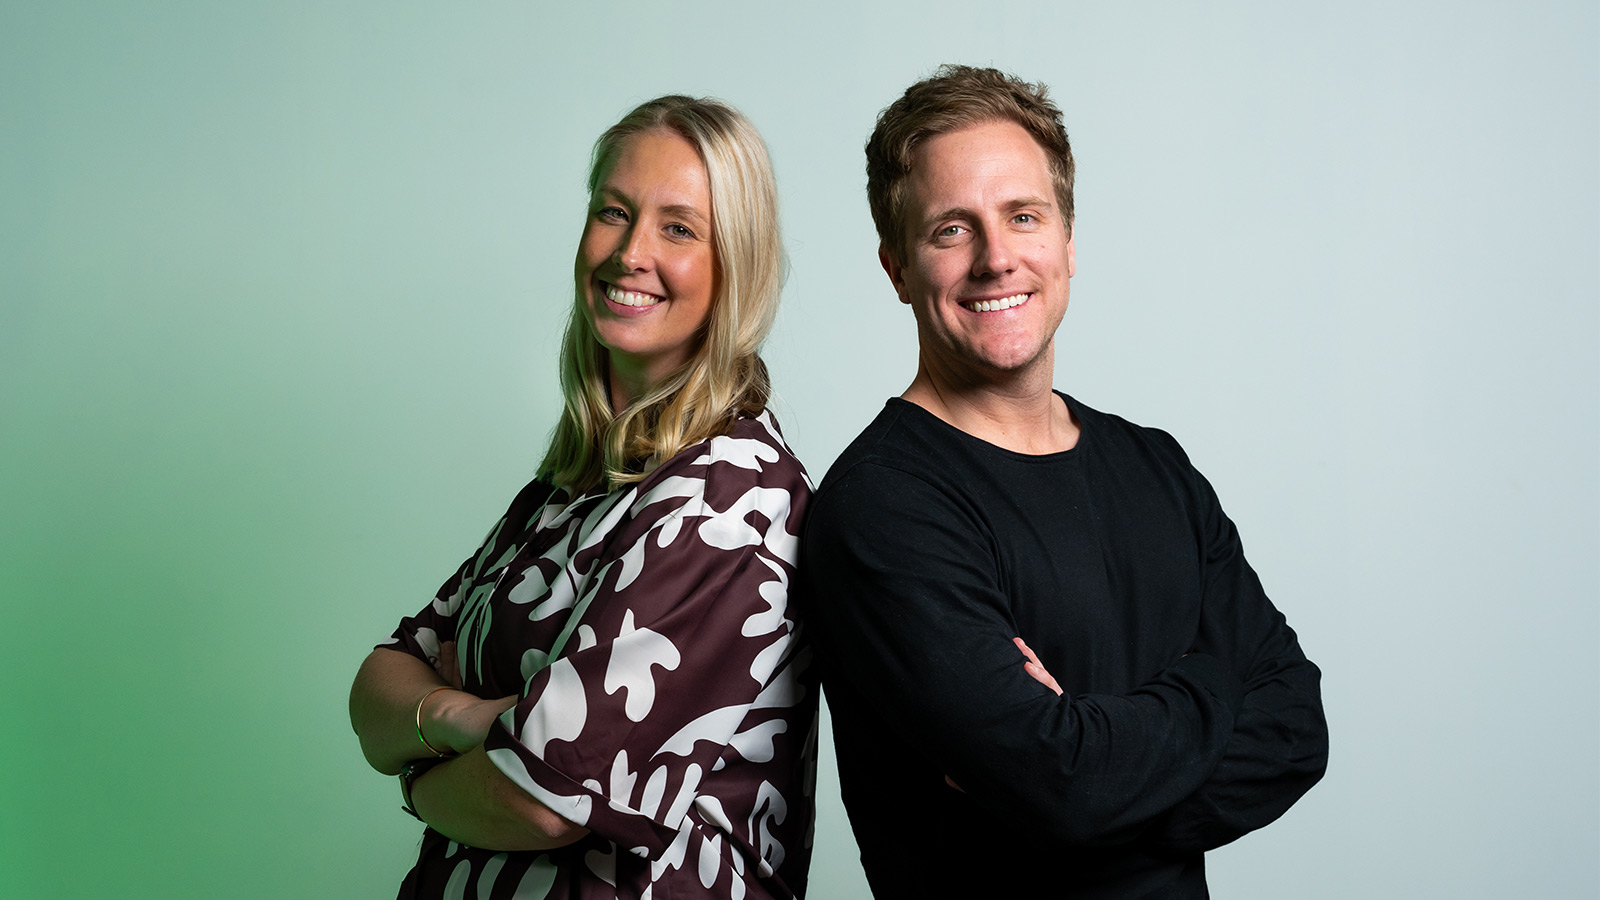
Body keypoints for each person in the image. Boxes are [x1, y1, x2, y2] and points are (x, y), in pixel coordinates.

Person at [801, 65, 1328, 898]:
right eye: (951, 230)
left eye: (1023, 216)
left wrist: (1084, 783)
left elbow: (1298, 727)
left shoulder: (1156, 467)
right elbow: (1063, 783)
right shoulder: (881, 506)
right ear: (897, 267)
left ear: (1069, 242)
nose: (997, 258)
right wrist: (1214, 682)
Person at [349, 95, 815, 900]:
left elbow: (547, 796)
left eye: (678, 228)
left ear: (733, 263)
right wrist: (465, 719)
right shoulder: (570, 486)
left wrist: (419, 780)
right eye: (613, 212)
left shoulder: (733, 496)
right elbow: (379, 681)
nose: (631, 252)